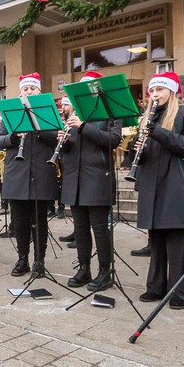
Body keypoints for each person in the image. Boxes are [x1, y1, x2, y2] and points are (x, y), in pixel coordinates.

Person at [134, 72, 184, 310]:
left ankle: (178, 292)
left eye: (159, 90)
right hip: (151, 184)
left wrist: (158, 132)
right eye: (152, 91)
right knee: (156, 241)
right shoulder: (147, 118)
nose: (154, 95)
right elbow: (147, 155)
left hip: (175, 183)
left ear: (172, 92)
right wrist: (137, 151)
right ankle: (155, 287)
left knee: (176, 243)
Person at [58, 72, 123, 291]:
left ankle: (105, 272)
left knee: (100, 228)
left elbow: (113, 141)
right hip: (74, 178)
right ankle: (84, 268)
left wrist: (83, 126)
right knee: (81, 227)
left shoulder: (110, 112)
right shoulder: (74, 113)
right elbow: (70, 151)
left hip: (97, 178)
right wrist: (65, 142)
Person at [0, 73, 60, 278]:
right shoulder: (12, 112)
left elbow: (56, 139)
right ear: (20, 92)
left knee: (39, 220)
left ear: (39, 92)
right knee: (20, 220)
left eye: (32, 89)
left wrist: (37, 128)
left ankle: (39, 261)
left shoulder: (46, 112)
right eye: (25, 89)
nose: (29, 91)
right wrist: (14, 136)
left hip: (41, 171)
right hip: (17, 173)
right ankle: (22, 258)